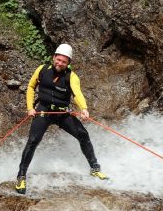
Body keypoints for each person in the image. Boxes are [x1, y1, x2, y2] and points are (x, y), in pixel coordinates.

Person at [15, 44, 108, 194]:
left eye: (64, 62)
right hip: (43, 111)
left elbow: (77, 94)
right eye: (58, 60)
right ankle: (21, 176)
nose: (60, 63)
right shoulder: (42, 70)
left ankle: (95, 169)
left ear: (68, 63)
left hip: (62, 113)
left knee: (83, 135)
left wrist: (83, 108)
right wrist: (30, 108)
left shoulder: (71, 76)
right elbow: (31, 87)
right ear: (54, 58)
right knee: (33, 141)